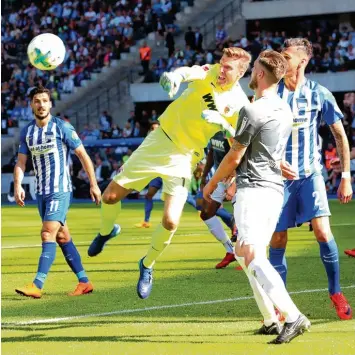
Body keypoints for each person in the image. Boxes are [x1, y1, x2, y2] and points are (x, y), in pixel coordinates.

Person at [87, 47, 251, 299]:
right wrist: (176, 77)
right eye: (221, 63)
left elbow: (240, 138)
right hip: (159, 140)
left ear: (240, 73)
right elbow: (190, 72)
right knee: (109, 197)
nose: (222, 69)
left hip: (185, 156)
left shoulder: (241, 103)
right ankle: (107, 231)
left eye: (228, 67)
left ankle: (147, 264)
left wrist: (224, 125)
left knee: (171, 221)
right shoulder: (211, 71)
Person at [203, 50, 311, 344]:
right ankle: (270, 319)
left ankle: (292, 316)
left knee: (250, 252)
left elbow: (234, 157)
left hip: (254, 189)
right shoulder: (282, 109)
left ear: (260, 74)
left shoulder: (252, 111)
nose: (251, 73)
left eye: (254, 69)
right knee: (244, 252)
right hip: (272, 188)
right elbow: (266, 149)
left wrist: (211, 185)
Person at [268, 38, 353, 320]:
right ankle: (280, 305)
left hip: (310, 174)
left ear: (302, 61)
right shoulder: (271, 93)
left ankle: (336, 292)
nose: (281, 59)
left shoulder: (319, 93)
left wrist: (345, 177)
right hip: (279, 178)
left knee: (322, 231)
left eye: (286, 55)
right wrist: (274, 163)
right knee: (278, 238)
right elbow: (259, 135)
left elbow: (339, 135)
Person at [14, 85, 101, 298]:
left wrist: (94, 183)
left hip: (60, 190)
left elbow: (83, 155)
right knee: (62, 237)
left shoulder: (62, 127)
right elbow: (21, 162)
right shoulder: (27, 132)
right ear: (31, 105)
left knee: (47, 232)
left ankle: (37, 285)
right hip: (41, 193)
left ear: (50, 103)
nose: (41, 104)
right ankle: (84, 282)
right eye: (37, 101)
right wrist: (18, 185)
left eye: (44, 100)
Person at [200, 132, 240, 269]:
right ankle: (231, 251)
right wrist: (204, 175)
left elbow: (241, 154)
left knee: (243, 217)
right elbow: (212, 152)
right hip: (222, 178)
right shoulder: (213, 128)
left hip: (237, 177)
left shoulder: (230, 128)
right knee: (206, 213)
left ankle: (249, 257)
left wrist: (234, 182)